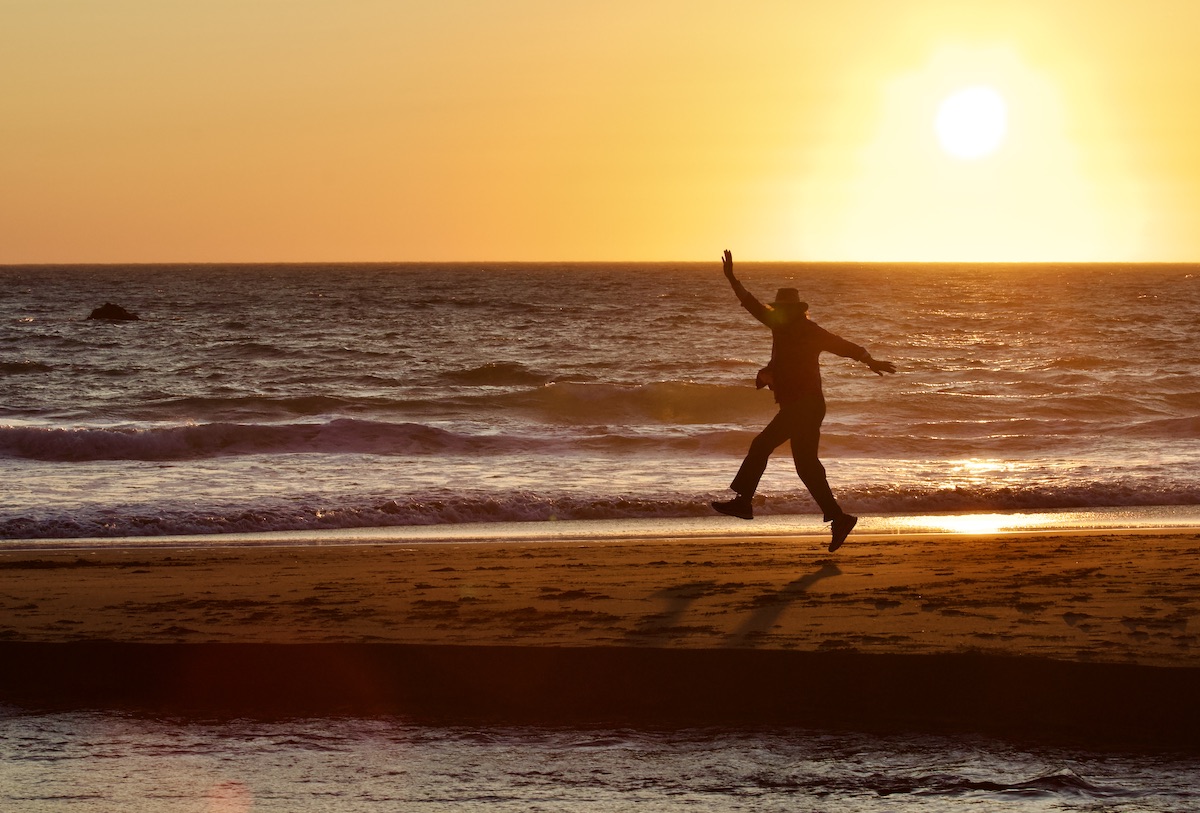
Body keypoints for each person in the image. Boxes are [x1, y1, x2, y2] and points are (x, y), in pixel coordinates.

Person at [712, 249, 895, 552]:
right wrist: (732, 278)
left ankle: (744, 502)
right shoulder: (781, 326)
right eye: (778, 307)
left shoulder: (805, 330)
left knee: (761, 445)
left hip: (805, 405)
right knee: (806, 467)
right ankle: (839, 518)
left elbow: (841, 345)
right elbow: (751, 305)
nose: (778, 311)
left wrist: (868, 359)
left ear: (795, 310)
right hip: (806, 406)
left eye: (783, 308)